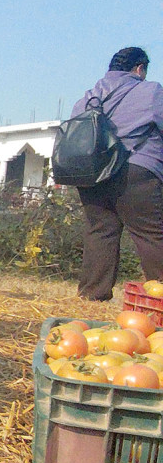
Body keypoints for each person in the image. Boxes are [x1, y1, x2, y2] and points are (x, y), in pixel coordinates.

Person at [72, 47, 163, 301]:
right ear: (139, 68)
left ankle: (92, 295)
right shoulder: (151, 91)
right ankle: (160, 295)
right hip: (135, 169)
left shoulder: (88, 97)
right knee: (151, 234)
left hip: (92, 174)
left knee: (100, 232)